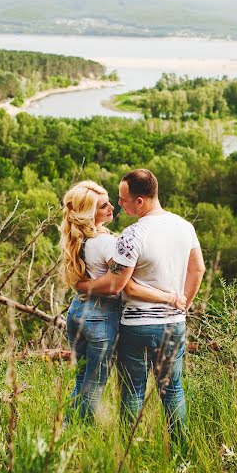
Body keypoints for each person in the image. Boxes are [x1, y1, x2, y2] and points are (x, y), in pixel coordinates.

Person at [76, 170, 205, 438]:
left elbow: (118, 284)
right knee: (173, 390)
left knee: (133, 391)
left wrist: (84, 286)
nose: (119, 205)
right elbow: (198, 269)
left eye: (123, 200)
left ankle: (129, 449)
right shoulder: (185, 226)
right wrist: (182, 304)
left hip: (137, 326)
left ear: (141, 201)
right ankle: (180, 451)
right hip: (173, 325)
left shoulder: (131, 235)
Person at [60, 180, 187, 421]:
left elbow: (83, 280)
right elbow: (123, 285)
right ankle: (80, 433)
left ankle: (67, 427)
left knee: (80, 378)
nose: (112, 208)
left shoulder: (78, 240)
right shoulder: (107, 243)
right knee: (95, 384)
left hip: (77, 311)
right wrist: (170, 297)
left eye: (110, 202)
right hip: (100, 316)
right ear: (88, 214)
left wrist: (83, 286)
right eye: (103, 206)